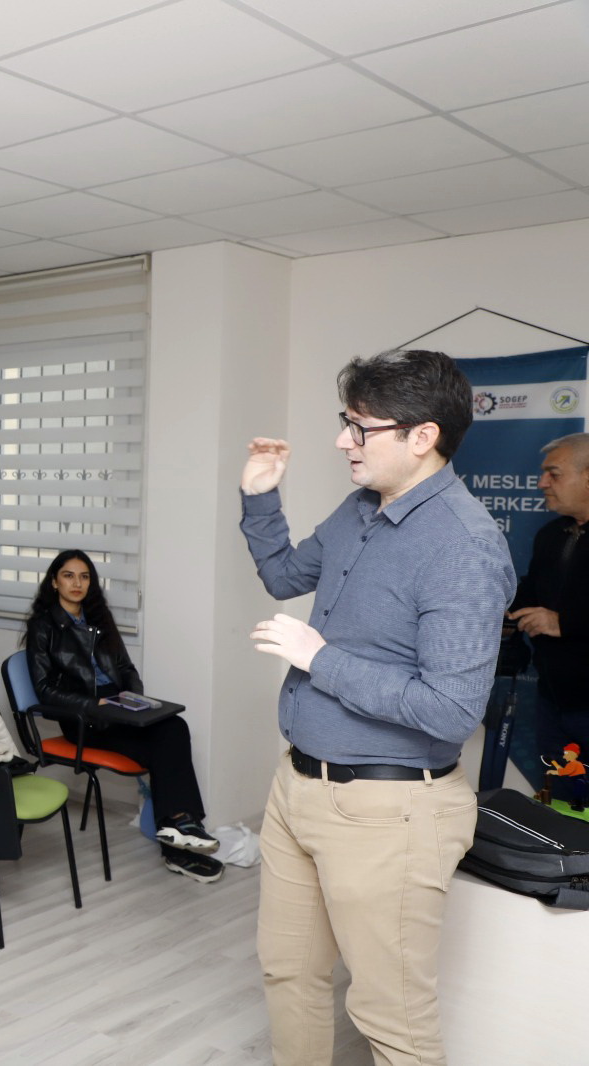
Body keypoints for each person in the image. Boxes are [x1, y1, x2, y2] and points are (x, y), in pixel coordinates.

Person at [239, 349, 515, 1066]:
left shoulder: (463, 546)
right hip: (298, 786)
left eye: (360, 428)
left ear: (422, 436)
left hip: (391, 812)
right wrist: (261, 498)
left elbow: (451, 710)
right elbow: (283, 576)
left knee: (392, 1021)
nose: (343, 441)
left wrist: (320, 659)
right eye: (347, 422)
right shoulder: (361, 508)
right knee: (288, 974)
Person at [25, 549, 222, 883]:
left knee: (174, 725)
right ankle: (178, 836)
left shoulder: (99, 619)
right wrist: (94, 705)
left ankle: (180, 827)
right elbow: (45, 690)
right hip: (83, 717)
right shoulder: (43, 626)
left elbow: (126, 669)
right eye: (69, 576)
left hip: (118, 708)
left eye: (84, 576)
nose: (77, 583)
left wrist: (132, 697)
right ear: (54, 582)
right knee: (163, 746)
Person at [508, 432, 589, 772]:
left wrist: (563, 621)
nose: (541, 483)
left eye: (553, 474)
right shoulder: (551, 534)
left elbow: (564, 615)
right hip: (551, 701)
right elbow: (531, 591)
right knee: (559, 797)